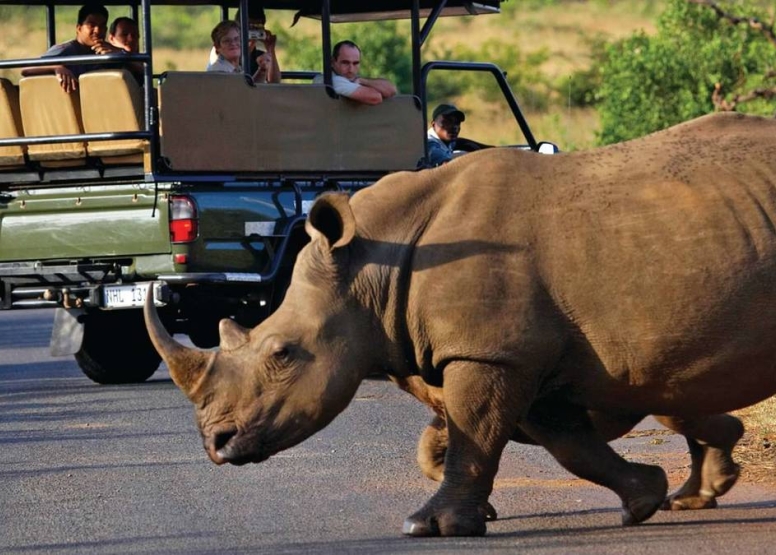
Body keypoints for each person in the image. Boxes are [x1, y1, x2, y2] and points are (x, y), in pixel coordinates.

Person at [21, 3, 127, 94]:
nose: (98, 31)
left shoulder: (108, 52)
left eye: (102, 26)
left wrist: (120, 53)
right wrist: (57, 67)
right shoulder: (65, 50)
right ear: (79, 28)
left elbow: (138, 70)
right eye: (92, 25)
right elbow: (27, 69)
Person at [207, 6, 281, 84]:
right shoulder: (219, 68)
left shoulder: (237, 67)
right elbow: (240, 92)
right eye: (227, 41)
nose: (233, 43)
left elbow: (249, 87)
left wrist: (270, 51)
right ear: (217, 47)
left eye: (236, 39)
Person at [313, 40, 397, 105]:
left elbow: (392, 90)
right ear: (332, 62)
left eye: (355, 63)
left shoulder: (345, 79)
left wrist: (362, 81)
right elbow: (376, 98)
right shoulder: (334, 81)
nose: (351, 69)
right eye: (345, 63)